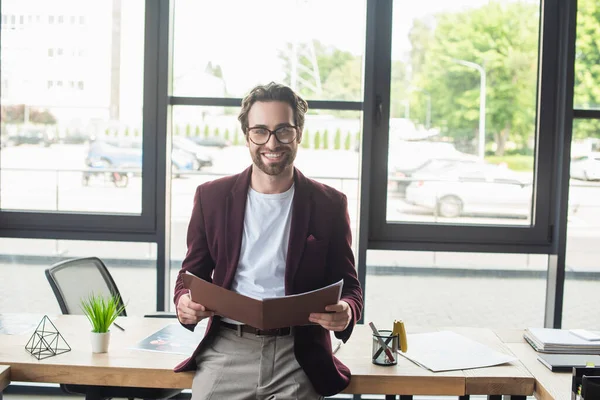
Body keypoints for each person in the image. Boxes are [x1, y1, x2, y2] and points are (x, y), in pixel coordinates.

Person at [172, 82, 363, 399]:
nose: (271, 143)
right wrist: (183, 302)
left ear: (298, 133)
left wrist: (347, 310)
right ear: (246, 135)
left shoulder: (330, 203)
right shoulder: (212, 197)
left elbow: (350, 285)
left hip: (298, 354)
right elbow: (190, 273)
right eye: (260, 131)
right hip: (227, 347)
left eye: (283, 131)